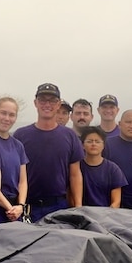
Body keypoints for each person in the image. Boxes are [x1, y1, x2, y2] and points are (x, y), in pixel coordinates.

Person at [15, 83, 84, 219]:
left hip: (58, 206)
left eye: (52, 101)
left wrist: (78, 206)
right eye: (43, 100)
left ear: (58, 104)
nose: (47, 104)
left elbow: (75, 174)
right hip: (27, 206)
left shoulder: (70, 136)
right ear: (35, 103)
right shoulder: (20, 135)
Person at [0, 95, 30, 223]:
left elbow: (23, 181)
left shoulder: (18, 145)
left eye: (11, 115)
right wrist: (9, 208)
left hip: (15, 211)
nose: (7, 118)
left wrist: (20, 206)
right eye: (3, 113)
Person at [77, 127, 127, 207]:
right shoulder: (76, 168)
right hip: (82, 214)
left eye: (97, 141)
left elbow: (116, 201)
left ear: (103, 145)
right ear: (82, 145)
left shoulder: (113, 169)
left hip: (105, 215)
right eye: (89, 141)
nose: (93, 144)